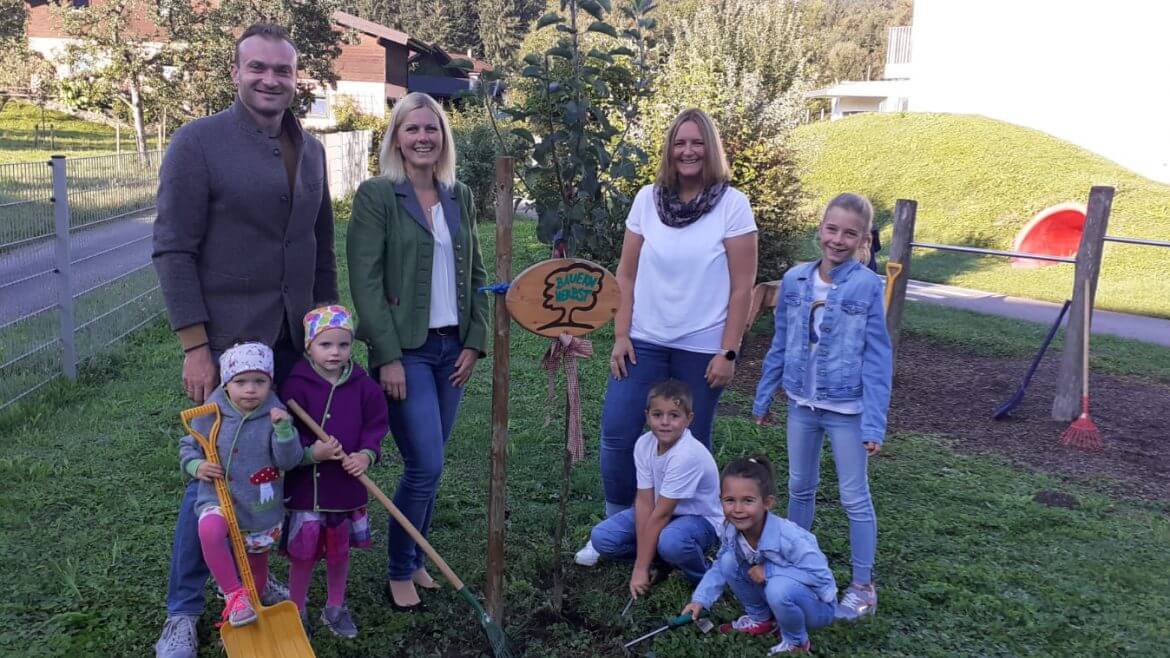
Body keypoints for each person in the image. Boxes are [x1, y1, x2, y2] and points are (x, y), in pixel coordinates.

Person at [152, 22, 337, 658]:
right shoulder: (197, 143)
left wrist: (324, 327)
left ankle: (254, 571)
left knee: (271, 462)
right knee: (213, 474)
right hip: (228, 343)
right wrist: (195, 344)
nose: (269, 80)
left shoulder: (310, 152)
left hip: (292, 338)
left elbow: (320, 248)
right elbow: (173, 247)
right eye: (256, 68)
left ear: (295, 79)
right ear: (235, 73)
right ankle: (183, 609)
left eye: (281, 71)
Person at [577, 108, 758, 566]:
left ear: (710, 149)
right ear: (670, 149)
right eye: (680, 142)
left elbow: (742, 287)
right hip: (645, 339)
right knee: (618, 432)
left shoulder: (732, 205)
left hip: (702, 348)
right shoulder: (646, 200)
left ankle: (688, 530)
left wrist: (729, 350)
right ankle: (621, 523)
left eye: (697, 143)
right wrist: (621, 334)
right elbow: (627, 273)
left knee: (691, 441)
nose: (689, 151)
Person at [346, 92, 489, 610]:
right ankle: (399, 569)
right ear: (397, 138)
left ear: (443, 137)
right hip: (406, 351)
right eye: (412, 129)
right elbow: (364, 280)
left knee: (430, 464)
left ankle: (418, 556)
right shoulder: (378, 196)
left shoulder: (460, 195)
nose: (423, 137)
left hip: (453, 349)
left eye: (432, 128)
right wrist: (385, 355)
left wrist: (475, 340)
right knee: (425, 465)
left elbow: (476, 272)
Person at [752, 193, 893, 621]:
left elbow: (877, 357)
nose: (838, 239)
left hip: (847, 410)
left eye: (849, 233)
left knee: (854, 497)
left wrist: (874, 424)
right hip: (801, 404)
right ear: (820, 229)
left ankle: (863, 586)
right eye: (832, 229)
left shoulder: (868, 286)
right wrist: (764, 395)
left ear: (863, 238)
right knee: (799, 487)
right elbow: (780, 343)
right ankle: (798, 569)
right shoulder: (795, 279)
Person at [178, 343, 304, 629]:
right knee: (209, 530)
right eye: (241, 382)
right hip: (219, 498)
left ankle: (249, 610)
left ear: (270, 383)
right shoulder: (212, 411)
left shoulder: (275, 414)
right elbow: (189, 446)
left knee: (255, 569)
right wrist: (196, 466)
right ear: (226, 383)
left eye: (259, 382)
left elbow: (288, 461)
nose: (250, 390)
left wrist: (284, 431)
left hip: (260, 510)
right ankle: (234, 595)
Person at [280, 304, 388, 637]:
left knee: (340, 552)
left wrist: (366, 456)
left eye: (343, 344)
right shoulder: (295, 387)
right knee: (304, 553)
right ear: (309, 346)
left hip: (345, 486)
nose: (335, 352)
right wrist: (313, 452)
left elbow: (376, 425)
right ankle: (296, 610)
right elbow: (285, 437)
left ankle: (335, 608)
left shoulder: (363, 385)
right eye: (326, 345)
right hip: (307, 490)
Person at [681, 456, 837, 655]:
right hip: (778, 594)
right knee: (729, 561)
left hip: (817, 606)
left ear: (767, 502)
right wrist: (700, 599)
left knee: (778, 589)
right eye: (730, 500)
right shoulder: (731, 530)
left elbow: (822, 578)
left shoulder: (789, 538)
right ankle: (760, 618)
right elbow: (720, 566)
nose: (738, 509)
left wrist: (771, 571)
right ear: (720, 500)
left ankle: (797, 641)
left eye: (748, 501)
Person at [586, 380, 723, 596]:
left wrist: (639, 568)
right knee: (603, 537)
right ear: (647, 415)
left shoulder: (686, 455)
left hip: (698, 519)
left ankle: (706, 577)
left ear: (689, 419)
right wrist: (644, 560)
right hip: (660, 512)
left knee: (672, 541)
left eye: (675, 415)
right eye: (657, 415)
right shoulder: (644, 444)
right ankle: (663, 562)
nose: (665, 422)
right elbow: (644, 502)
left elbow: (661, 514)